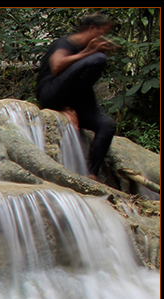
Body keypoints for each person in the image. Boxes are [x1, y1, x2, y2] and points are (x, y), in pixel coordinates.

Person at [36, 13, 117, 180]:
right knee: (98, 59)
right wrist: (89, 52)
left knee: (107, 125)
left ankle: (91, 174)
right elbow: (57, 66)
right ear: (92, 28)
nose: (103, 38)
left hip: (78, 98)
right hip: (52, 94)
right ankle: (68, 107)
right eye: (102, 33)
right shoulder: (65, 43)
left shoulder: (86, 51)